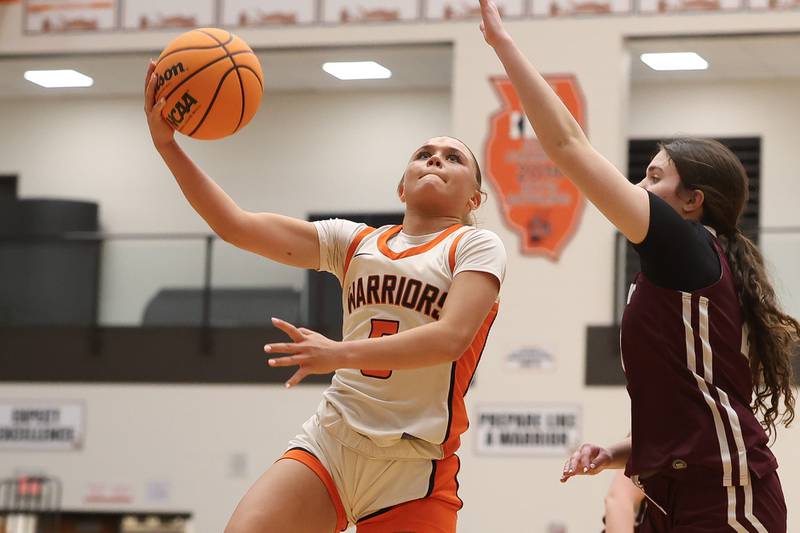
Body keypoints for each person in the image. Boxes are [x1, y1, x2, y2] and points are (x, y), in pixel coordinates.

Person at [144, 60, 506, 533]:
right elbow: (236, 226)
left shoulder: (476, 245)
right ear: (402, 186)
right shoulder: (352, 242)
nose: (436, 159)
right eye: (424, 154)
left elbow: (450, 339)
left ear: (474, 200)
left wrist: (338, 353)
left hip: (415, 464)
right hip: (332, 441)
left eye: (453, 158)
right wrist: (167, 146)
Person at [478, 1, 797, 530]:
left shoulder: (687, 246)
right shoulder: (685, 272)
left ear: (692, 201)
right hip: (671, 494)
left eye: (652, 177)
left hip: (726, 500)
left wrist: (504, 47)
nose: (638, 188)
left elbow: (567, 145)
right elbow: (689, 406)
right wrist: (620, 451)